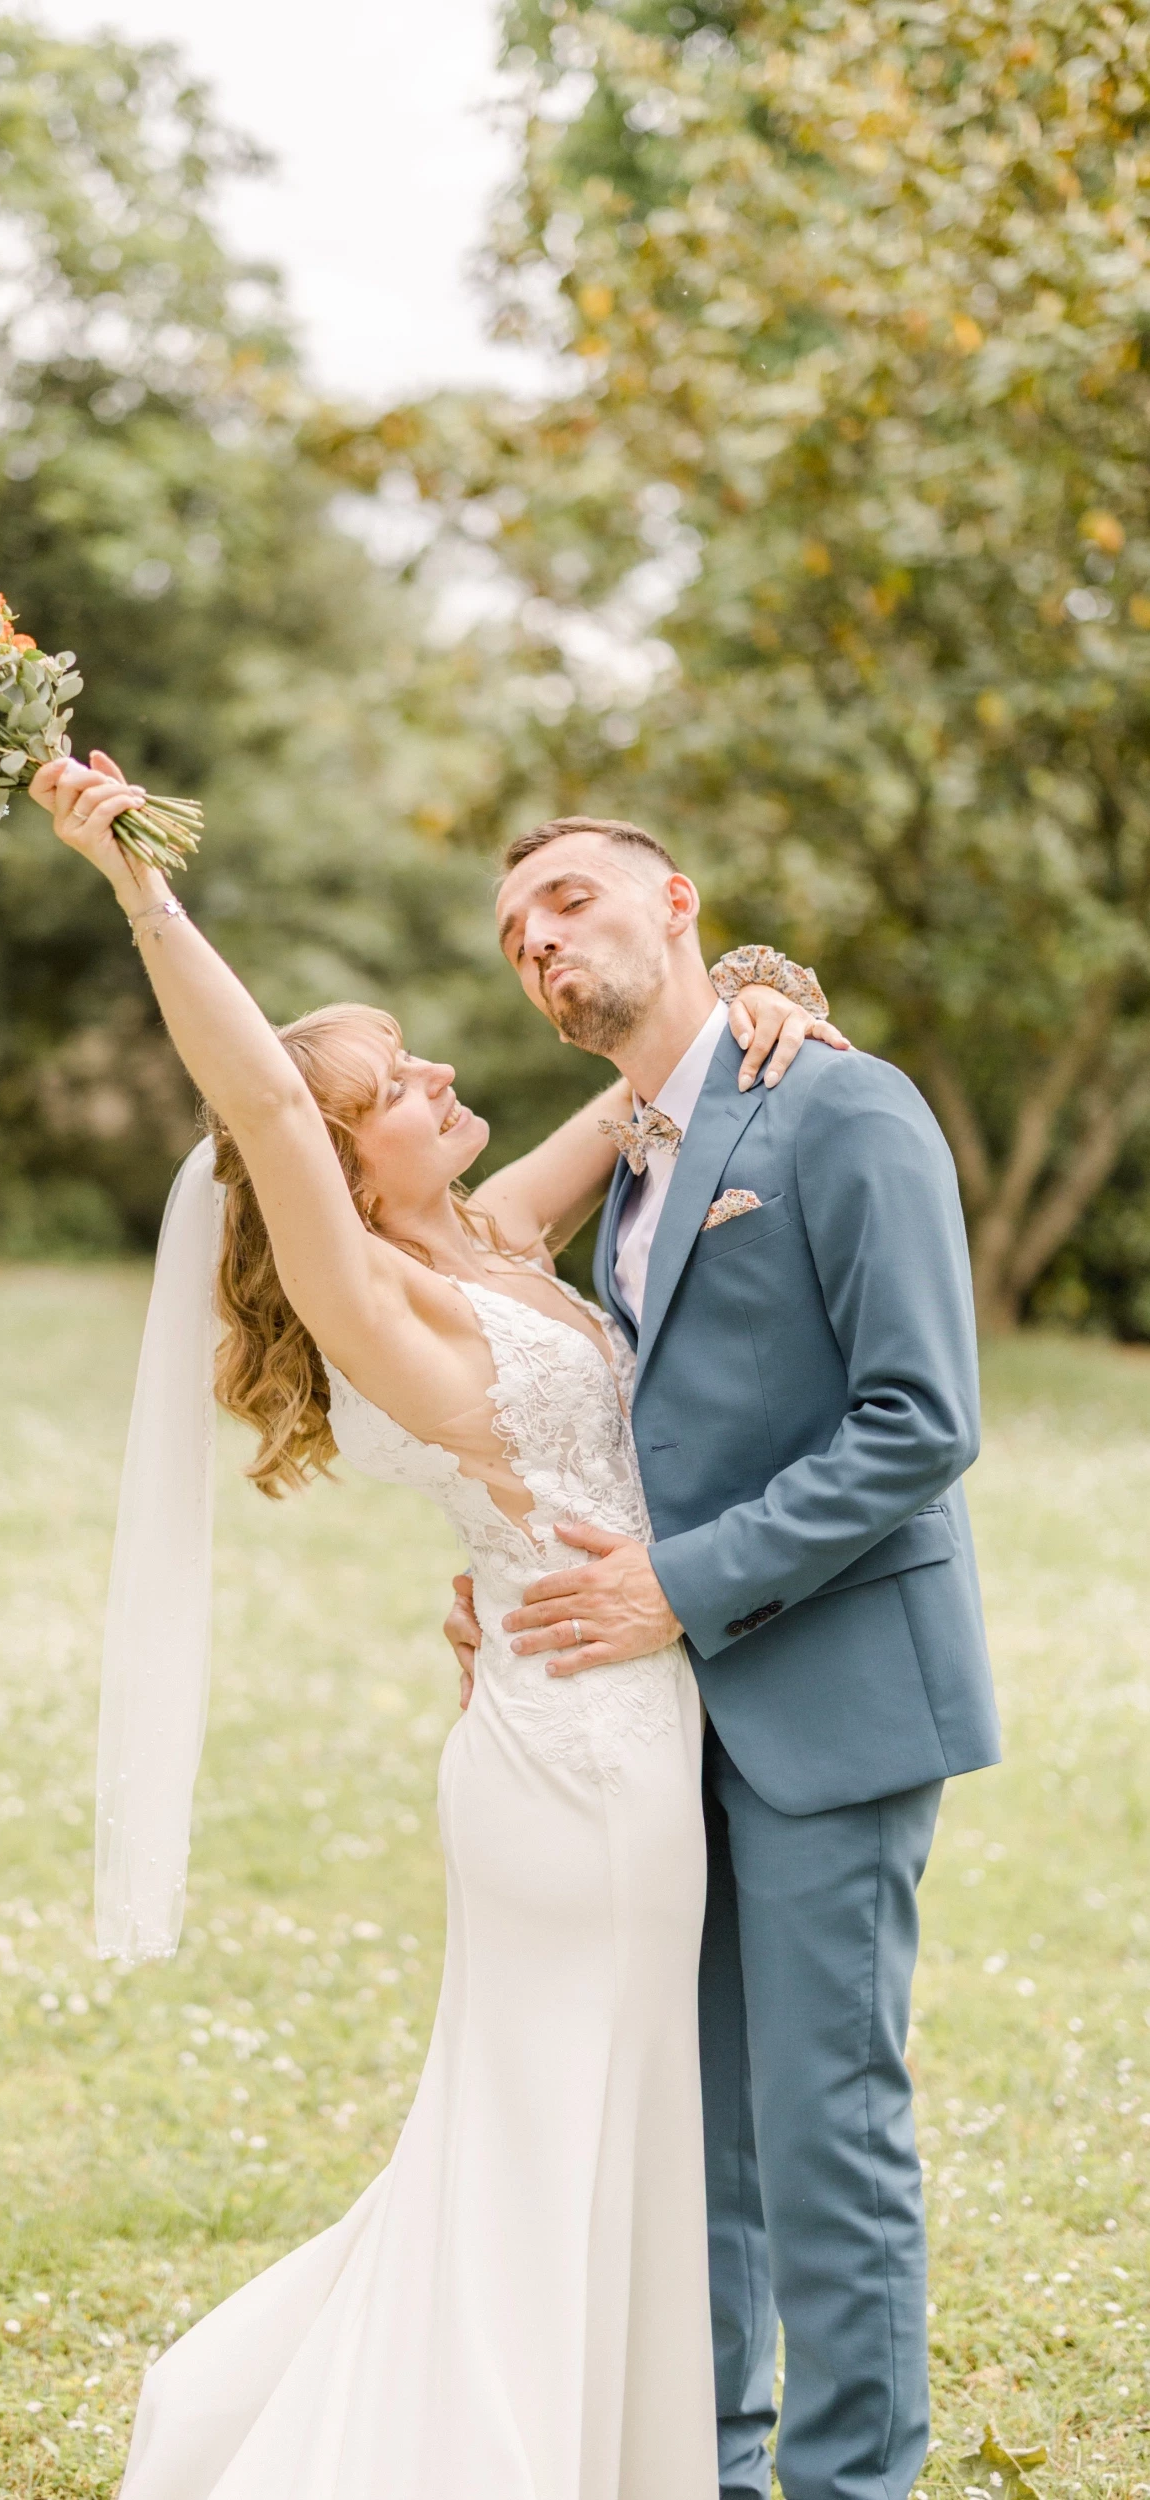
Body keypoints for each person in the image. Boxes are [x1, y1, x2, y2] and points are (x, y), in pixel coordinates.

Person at [31, 749, 843, 2500]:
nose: (441, 1065)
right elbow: (257, 1102)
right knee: (550, 2130)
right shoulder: (372, 1287)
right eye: (395, 1076)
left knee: (593, 2121)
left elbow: (657, 1095)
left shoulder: (486, 1239)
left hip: (623, 1714)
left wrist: (765, 987)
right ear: (334, 1152)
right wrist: (135, 882)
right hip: (570, 1753)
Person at [445, 816, 1000, 2500]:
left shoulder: (841, 1102)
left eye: (570, 900)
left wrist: (676, 1588)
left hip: (827, 1691)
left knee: (827, 2141)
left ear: (676, 904)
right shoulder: (634, 1149)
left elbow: (921, 1421)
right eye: (514, 934)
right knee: (703, 2148)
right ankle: (711, 2468)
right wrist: (510, 1567)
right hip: (666, 1724)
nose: (540, 941)